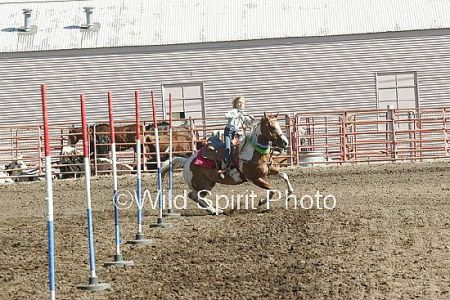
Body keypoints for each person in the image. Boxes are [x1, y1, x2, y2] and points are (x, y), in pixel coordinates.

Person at [220, 96, 253, 178]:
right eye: (239, 102)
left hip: (238, 134)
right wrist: (235, 115)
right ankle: (225, 167)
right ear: (235, 104)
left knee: (244, 147)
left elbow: (248, 123)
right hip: (229, 132)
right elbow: (226, 115)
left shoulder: (244, 114)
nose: (241, 104)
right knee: (228, 147)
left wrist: (251, 119)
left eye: (242, 103)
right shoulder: (233, 111)